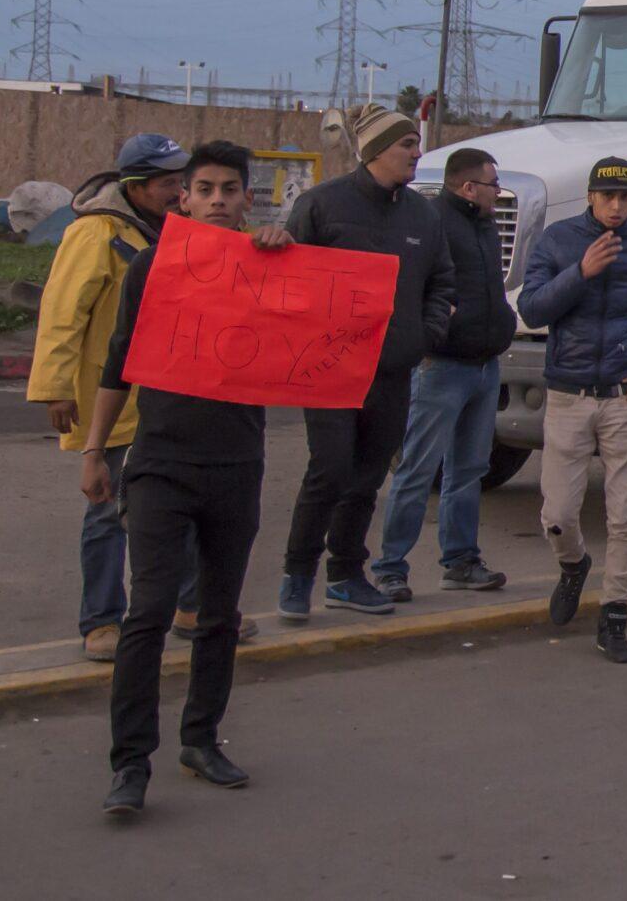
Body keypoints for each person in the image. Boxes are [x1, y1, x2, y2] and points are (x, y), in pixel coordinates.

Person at [82, 141, 289, 818]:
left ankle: (200, 739)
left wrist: (287, 255)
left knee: (220, 615)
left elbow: (308, 333)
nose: (218, 199)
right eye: (205, 188)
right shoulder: (153, 265)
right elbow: (119, 360)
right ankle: (129, 763)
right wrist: (93, 451)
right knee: (147, 612)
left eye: (230, 189)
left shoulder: (272, 265)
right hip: (161, 466)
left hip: (236, 466)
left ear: (248, 198)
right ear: (185, 197)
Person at [31, 133, 227, 661]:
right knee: (107, 514)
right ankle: (101, 622)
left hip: (174, 399)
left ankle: (190, 607)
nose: (178, 191)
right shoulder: (95, 234)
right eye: (168, 183)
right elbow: (63, 313)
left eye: (182, 182)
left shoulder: (187, 230)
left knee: (185, 505)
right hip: (114, 401)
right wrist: (54, 388)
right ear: (135, 187)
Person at [277, 105, 455, 621]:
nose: (417, 153)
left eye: (417, 143)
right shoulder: (320, 205)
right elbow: (287, 281)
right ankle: (297, 576)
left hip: (392, 371)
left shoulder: (423, 215)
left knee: (367, 477)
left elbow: (442, 282)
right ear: (376, 150)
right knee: (330, 470)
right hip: (329, 370)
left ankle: (346, 576)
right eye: (407, 144)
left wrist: (424, 335)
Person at [516, 156, 627, 663]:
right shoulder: (559, 239)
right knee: (557, 513)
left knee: (625, 517)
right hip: (568, 394)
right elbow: (531, 308)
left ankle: (614, 615)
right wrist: (581, 272)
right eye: (608, 197)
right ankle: (573, 565)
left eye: (626, 198)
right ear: (590, 197)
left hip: (626, 397)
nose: (617, 207)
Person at [373, 147, 515, 599]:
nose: (498, 192)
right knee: (417, 469)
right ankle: (390, 569)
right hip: (441, 366)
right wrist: (430, 333)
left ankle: (461, 561)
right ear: (469, 187)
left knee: (469, 470)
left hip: (485, 366)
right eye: (493, 184)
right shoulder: (432, 222)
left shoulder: (485, 225)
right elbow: (410, 285)